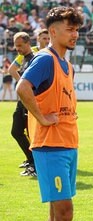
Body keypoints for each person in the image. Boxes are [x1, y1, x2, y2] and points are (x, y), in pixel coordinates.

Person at [15, 6, 93, 221]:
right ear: (52, 32)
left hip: (67, 144)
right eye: (69, 29)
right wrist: (39, 116)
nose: (74, 34)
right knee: (65, 211)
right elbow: (23, 87)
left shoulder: (67, 64)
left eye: (76, 29)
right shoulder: (45, 60)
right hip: (51, 146)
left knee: (55, 211)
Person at [8, 32, 39, 177]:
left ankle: (35, 164)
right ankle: (31, 160)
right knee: (16, 131)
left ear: (28, 43)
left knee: (29, 134)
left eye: (20, 45)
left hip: (29, 104)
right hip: (21, 103)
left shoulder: (34, 59)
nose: (17, 49)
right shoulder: (25, 60)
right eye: (16, 46)